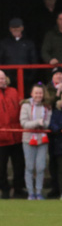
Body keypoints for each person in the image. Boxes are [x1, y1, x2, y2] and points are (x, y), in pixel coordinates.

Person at [19, 84, 50, 200]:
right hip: (28, 139)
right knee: (29, 167)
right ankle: (30, 192)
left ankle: (39, 191)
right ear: (31, 94)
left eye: (40, 93)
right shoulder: (26, 106)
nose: (38, 95)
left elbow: (48, 123)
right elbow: (24, 123)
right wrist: (37, 122)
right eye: (36, 93)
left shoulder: (47, 106)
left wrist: (44, 124)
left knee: (41, 167)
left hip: (42, 139)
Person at [0, 70, 25, 199]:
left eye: (3, 78)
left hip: (16, 135)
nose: (2, 81)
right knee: (1, 167)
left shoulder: (14, 91)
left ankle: (18, 189)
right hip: (1, 138)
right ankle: (4, 189)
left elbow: (21, 108)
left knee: (19, 165)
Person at [0, 18, 38, 89]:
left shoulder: (29, 43)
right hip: (8, 77)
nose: (15, 29)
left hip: (25, 77)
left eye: (17, 27)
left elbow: (34, 60)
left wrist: (31, 77)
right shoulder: (4, 43)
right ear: (10, 29)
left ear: (22, 28)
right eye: (13, 28)